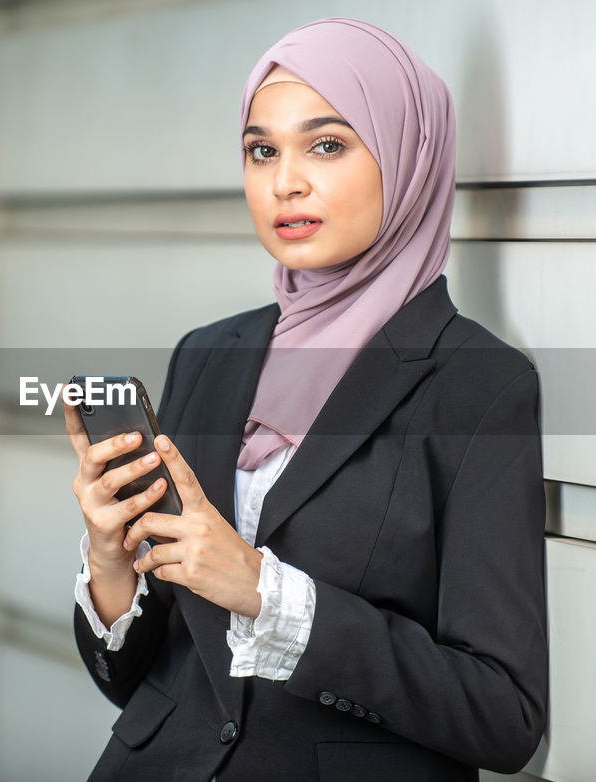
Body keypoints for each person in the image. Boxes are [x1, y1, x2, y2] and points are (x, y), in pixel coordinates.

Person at [63, 17, 548, 782]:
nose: (285, 181)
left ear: (405, 157)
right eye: (262, 150)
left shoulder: (479, 386)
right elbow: (135, 682)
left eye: (326, 144)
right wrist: (110, 560)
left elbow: (504, 715)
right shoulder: (209, 355)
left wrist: (268, 594)